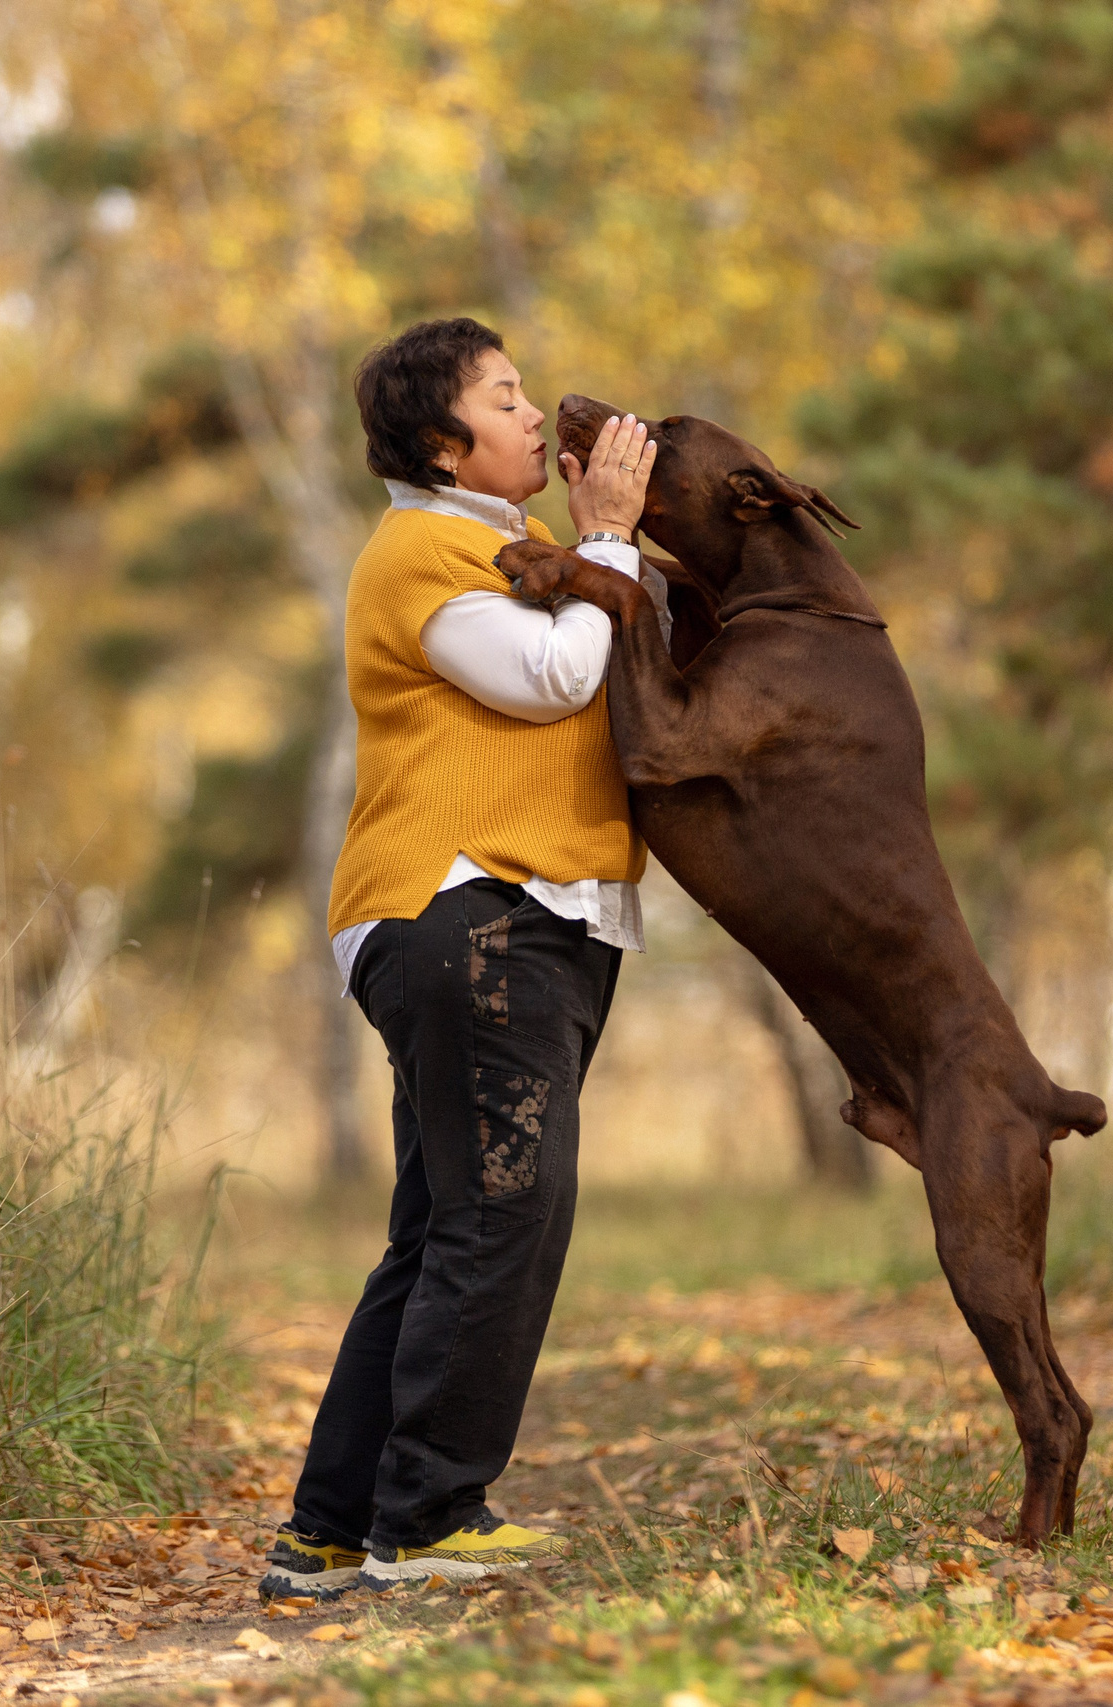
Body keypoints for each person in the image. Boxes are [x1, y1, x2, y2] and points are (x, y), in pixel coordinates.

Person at [259, 318, 659, 1598]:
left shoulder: (487, 546)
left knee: (442, 1227)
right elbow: (549, 678)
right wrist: (608, 539)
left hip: (476, 917)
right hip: (474, 909)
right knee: (503, 1213)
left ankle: (331, 1528)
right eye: (505, 396)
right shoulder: (425, 551)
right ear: (446, 441)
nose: (536, 413)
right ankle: (426, 1519)